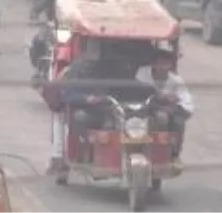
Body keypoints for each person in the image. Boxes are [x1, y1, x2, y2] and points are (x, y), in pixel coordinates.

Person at [48, 41, 142, 173]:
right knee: (80, 118)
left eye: (97, 52)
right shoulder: (75, 71)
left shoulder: (106, 70)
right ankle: (84, 150)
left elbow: (117, 88)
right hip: (84, 110)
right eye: (92, 51)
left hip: (105, 109)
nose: (94, 56)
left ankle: (114, 157)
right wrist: (86, 99)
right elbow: (67, 95)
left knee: (116, 122)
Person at [140, 49, 193, 160]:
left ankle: (172, 153)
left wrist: (173, 107)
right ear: (153, 64)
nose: (163, 67)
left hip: (164, 111)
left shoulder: (176, 81)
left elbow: (187, 102)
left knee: (176, 121)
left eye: (166, 64)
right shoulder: (142, 74)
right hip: (142, 108)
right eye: (160, 63)